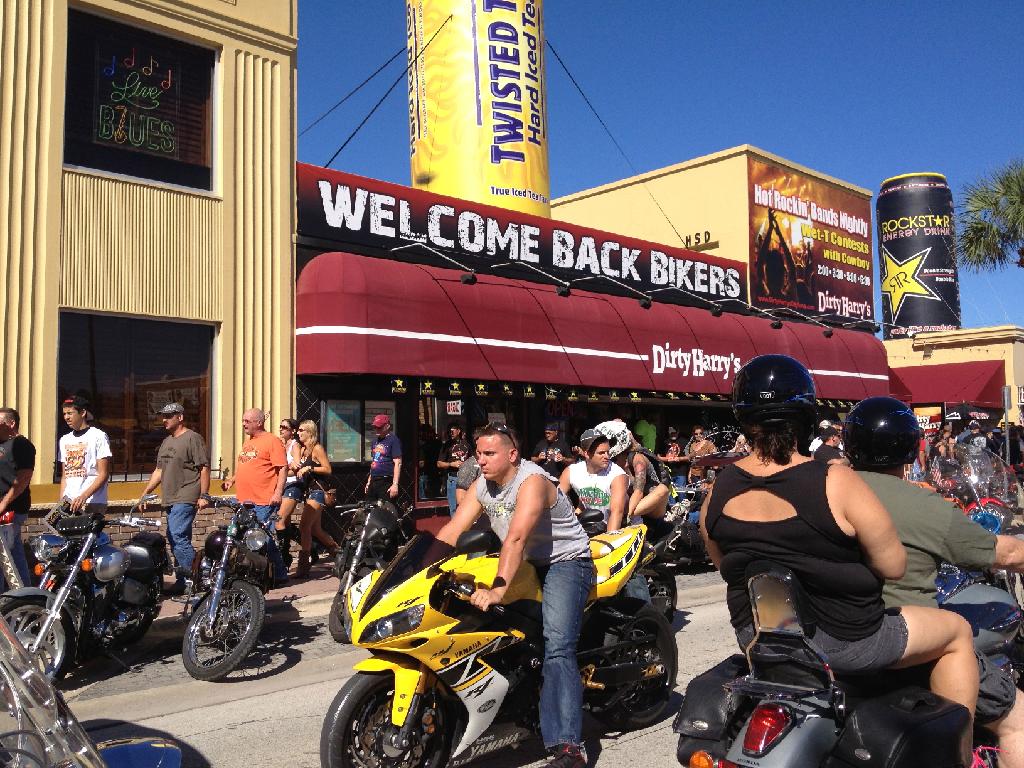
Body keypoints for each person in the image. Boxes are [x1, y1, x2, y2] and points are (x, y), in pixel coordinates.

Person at [700, 354, 978, 718]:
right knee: (957, 631)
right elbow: (893, 565)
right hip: (848, 642)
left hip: (759, 641)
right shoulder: (835, 480)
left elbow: (725, 564)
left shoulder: (718, 490)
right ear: (806, 416)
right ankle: (957, 740)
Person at [845, 396, 1024, 766]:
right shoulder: (921, 505)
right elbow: (1002, 554)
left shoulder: (827, 491)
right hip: (902, 646)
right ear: (912, 448)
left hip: (836, 640)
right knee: (1018, 722)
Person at [437, 423, 594, 768]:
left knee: (557, 646)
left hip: (565, 561)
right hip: (525, 563)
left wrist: (498, 588)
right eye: (478, 453)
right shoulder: (483, 485)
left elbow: (517, 538)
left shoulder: (532, 481)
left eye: (489, 453)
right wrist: (413, 569)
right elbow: (452, 530)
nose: (481, 461)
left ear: (512, 454)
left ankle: (570, 747)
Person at [560, 428, 648, 603]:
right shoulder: (572, 471)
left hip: (623, 528)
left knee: (630, 574)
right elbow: (555, 500)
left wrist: (610, 547)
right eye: (601, 453)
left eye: (608, 452)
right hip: (593, 527)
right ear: (586, 453)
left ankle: (646, 614)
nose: (607, 456)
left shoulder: (617, 475)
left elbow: (617, 512)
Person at [139, 403, 210, 594]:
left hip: (186, 494)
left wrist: (204, 495)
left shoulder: (192, 438)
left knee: (177, 535)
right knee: (175, 537)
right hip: (169, 497)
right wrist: (146, 492)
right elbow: (159, 470)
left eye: (169, 416)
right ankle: (183, 580)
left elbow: (203, 467)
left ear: (180, 417)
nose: (165, 420)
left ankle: (198, 577)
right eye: (163, 416)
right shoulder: (166, 442)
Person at [223, 408, 288, 585]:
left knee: (262, 539)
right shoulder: (249, 442)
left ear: (259, 422)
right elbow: (247, 465)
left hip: (263, 500)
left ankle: (278, 574)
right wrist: (232, 480)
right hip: (244, 500)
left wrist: (278, 493)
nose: (243, 424)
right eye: (243, 420)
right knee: (243, 536)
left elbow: (282, 468)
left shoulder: (272, 441)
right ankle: (253, 572)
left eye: (247, 421)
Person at [594, 421, 670, 526]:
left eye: (609, 442)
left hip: (650, 507)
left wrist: (626, 515)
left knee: (662, 489)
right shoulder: (610, 461)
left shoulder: (637, 459)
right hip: (627, 504)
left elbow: (638, 492)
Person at [292, 420, 338, 578]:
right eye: (298, 430)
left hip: (318, 492)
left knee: (304, 526)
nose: (298, 433)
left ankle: (303, 567)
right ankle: (338, 553)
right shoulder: (303, 449)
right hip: (308, 492)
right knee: (315, 530)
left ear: (310, 432)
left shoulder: (317, 448)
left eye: (301, 430)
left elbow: (328, 469)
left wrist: (310, 467)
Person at [58, 396, 111, 514]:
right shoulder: (64, 440)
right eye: (64, 414)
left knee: (88, 528)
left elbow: (103, 474)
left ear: (82, 413)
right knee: (55, 526)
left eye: (70, 413)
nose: (66, 417)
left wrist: (84, 496)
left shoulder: (98, 436)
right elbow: (65, 476)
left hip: (92, 501)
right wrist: (61, 502)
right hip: (69, 502)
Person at [0, 407, 34, 586]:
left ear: (11, 423)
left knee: (5, 555)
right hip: (4, 510)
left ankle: (21, 594)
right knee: (13, 553)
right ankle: (24, 594)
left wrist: (3, 503)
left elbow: (23, 479)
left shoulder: (22, 445)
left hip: (11, 510)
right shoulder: (3, 444)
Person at [365, 414, 402, 501]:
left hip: (386, 480)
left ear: (387, 426)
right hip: (374, 479)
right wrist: (369, 481)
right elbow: (374, 462)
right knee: (370, 506)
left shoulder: (393, 440)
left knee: (385, 507)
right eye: (375, 427)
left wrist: (395, 484)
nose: (376, 429)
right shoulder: (375, 441)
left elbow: (398, 463)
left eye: (379, 427)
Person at [275, 418, 303, 532]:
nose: (281, 430)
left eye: (284, 427)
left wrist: (283, 473)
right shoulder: (281, 445)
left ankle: (279, 543)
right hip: (282, 485)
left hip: (293, 484)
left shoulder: (295, 445)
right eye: (280, 427)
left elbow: (297, 467)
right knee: (286, 522)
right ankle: (289, 541)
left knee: (279, 521)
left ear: (293, 431)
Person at [437, 422, 470, 514]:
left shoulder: (467, 445)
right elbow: (439, 464)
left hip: (466, 478)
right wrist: (451, 464)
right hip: (453, 478)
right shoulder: (447, 445)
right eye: (449, 431)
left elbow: (473, 460)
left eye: (452, 431)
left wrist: (467, 465)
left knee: (465, 506)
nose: (450, 433)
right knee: (453, 507)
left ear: (458, 431)